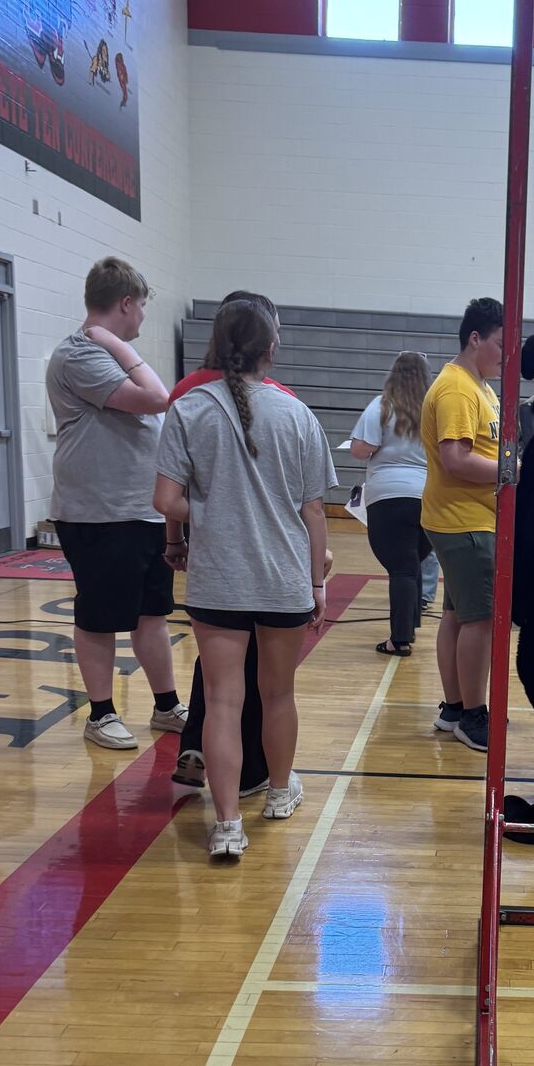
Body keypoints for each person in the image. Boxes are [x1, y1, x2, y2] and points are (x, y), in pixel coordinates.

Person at [154, 298, 336, 860]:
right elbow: (314, 511)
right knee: (277, 693)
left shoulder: (188, 410)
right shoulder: (297, 414)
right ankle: (280, 792)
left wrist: (188, 531)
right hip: (283, 579)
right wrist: (317, 582)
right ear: (270, 349)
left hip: (218, 582)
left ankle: (228, 824)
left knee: (223, 701)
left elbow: (166, 499)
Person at [47, 257, 187, 749]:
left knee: (152, 613)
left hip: (140, 509)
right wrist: (113, 342)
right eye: (143, 305)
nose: (144, 316)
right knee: (101, 615)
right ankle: (100, 714)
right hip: (100, 512)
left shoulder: (107, 353)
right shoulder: (83, 352)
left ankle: (167, 705)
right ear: (125, 303)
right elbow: (156, 397)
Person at [168, 290, 295, 798]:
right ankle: (254, 776)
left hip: (211, 560)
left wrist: (175, 537)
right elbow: (299, 501)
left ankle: (198, 746)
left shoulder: (185, 393)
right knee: (260, 679)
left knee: (219, 669)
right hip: (265, 560)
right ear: (266, 343)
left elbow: (169, 488)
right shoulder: (281, 401)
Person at [420, 297, 504, 754]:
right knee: (480, 621)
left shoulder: (478, 386)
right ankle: (473, 715)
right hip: (465, 522)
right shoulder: (457, 389)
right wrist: (513, 472)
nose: (504, 356)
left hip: (467, 519)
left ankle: (454, 707)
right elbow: (455, 459)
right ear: (475, 339)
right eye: (498, 345)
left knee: (456, 615)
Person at [349, 352, 433, 656]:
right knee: (412, 564)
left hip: (388, 495)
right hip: (427, 495)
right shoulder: (435, 407)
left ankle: (399, 639)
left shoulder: (382, 405)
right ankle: (409, 625)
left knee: (401, 568)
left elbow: (360, 449)